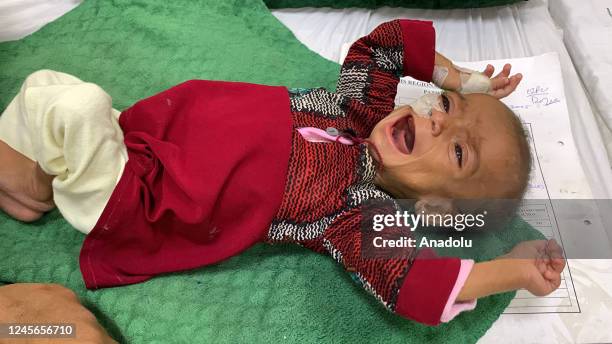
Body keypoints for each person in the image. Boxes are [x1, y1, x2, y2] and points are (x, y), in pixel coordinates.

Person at [0, 19, 564, 326]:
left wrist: (511, 272)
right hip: (145, 138)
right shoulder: (358, 109)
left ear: (435, 208)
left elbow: (415, 284)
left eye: (459, 153)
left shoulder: (352, 214)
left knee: (74, 110)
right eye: (443, 107)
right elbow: (384, 46)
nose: (438, 121)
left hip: (137, 195)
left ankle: (31, 183)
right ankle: (30, 190)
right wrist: (470, 84)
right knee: (47, 87)